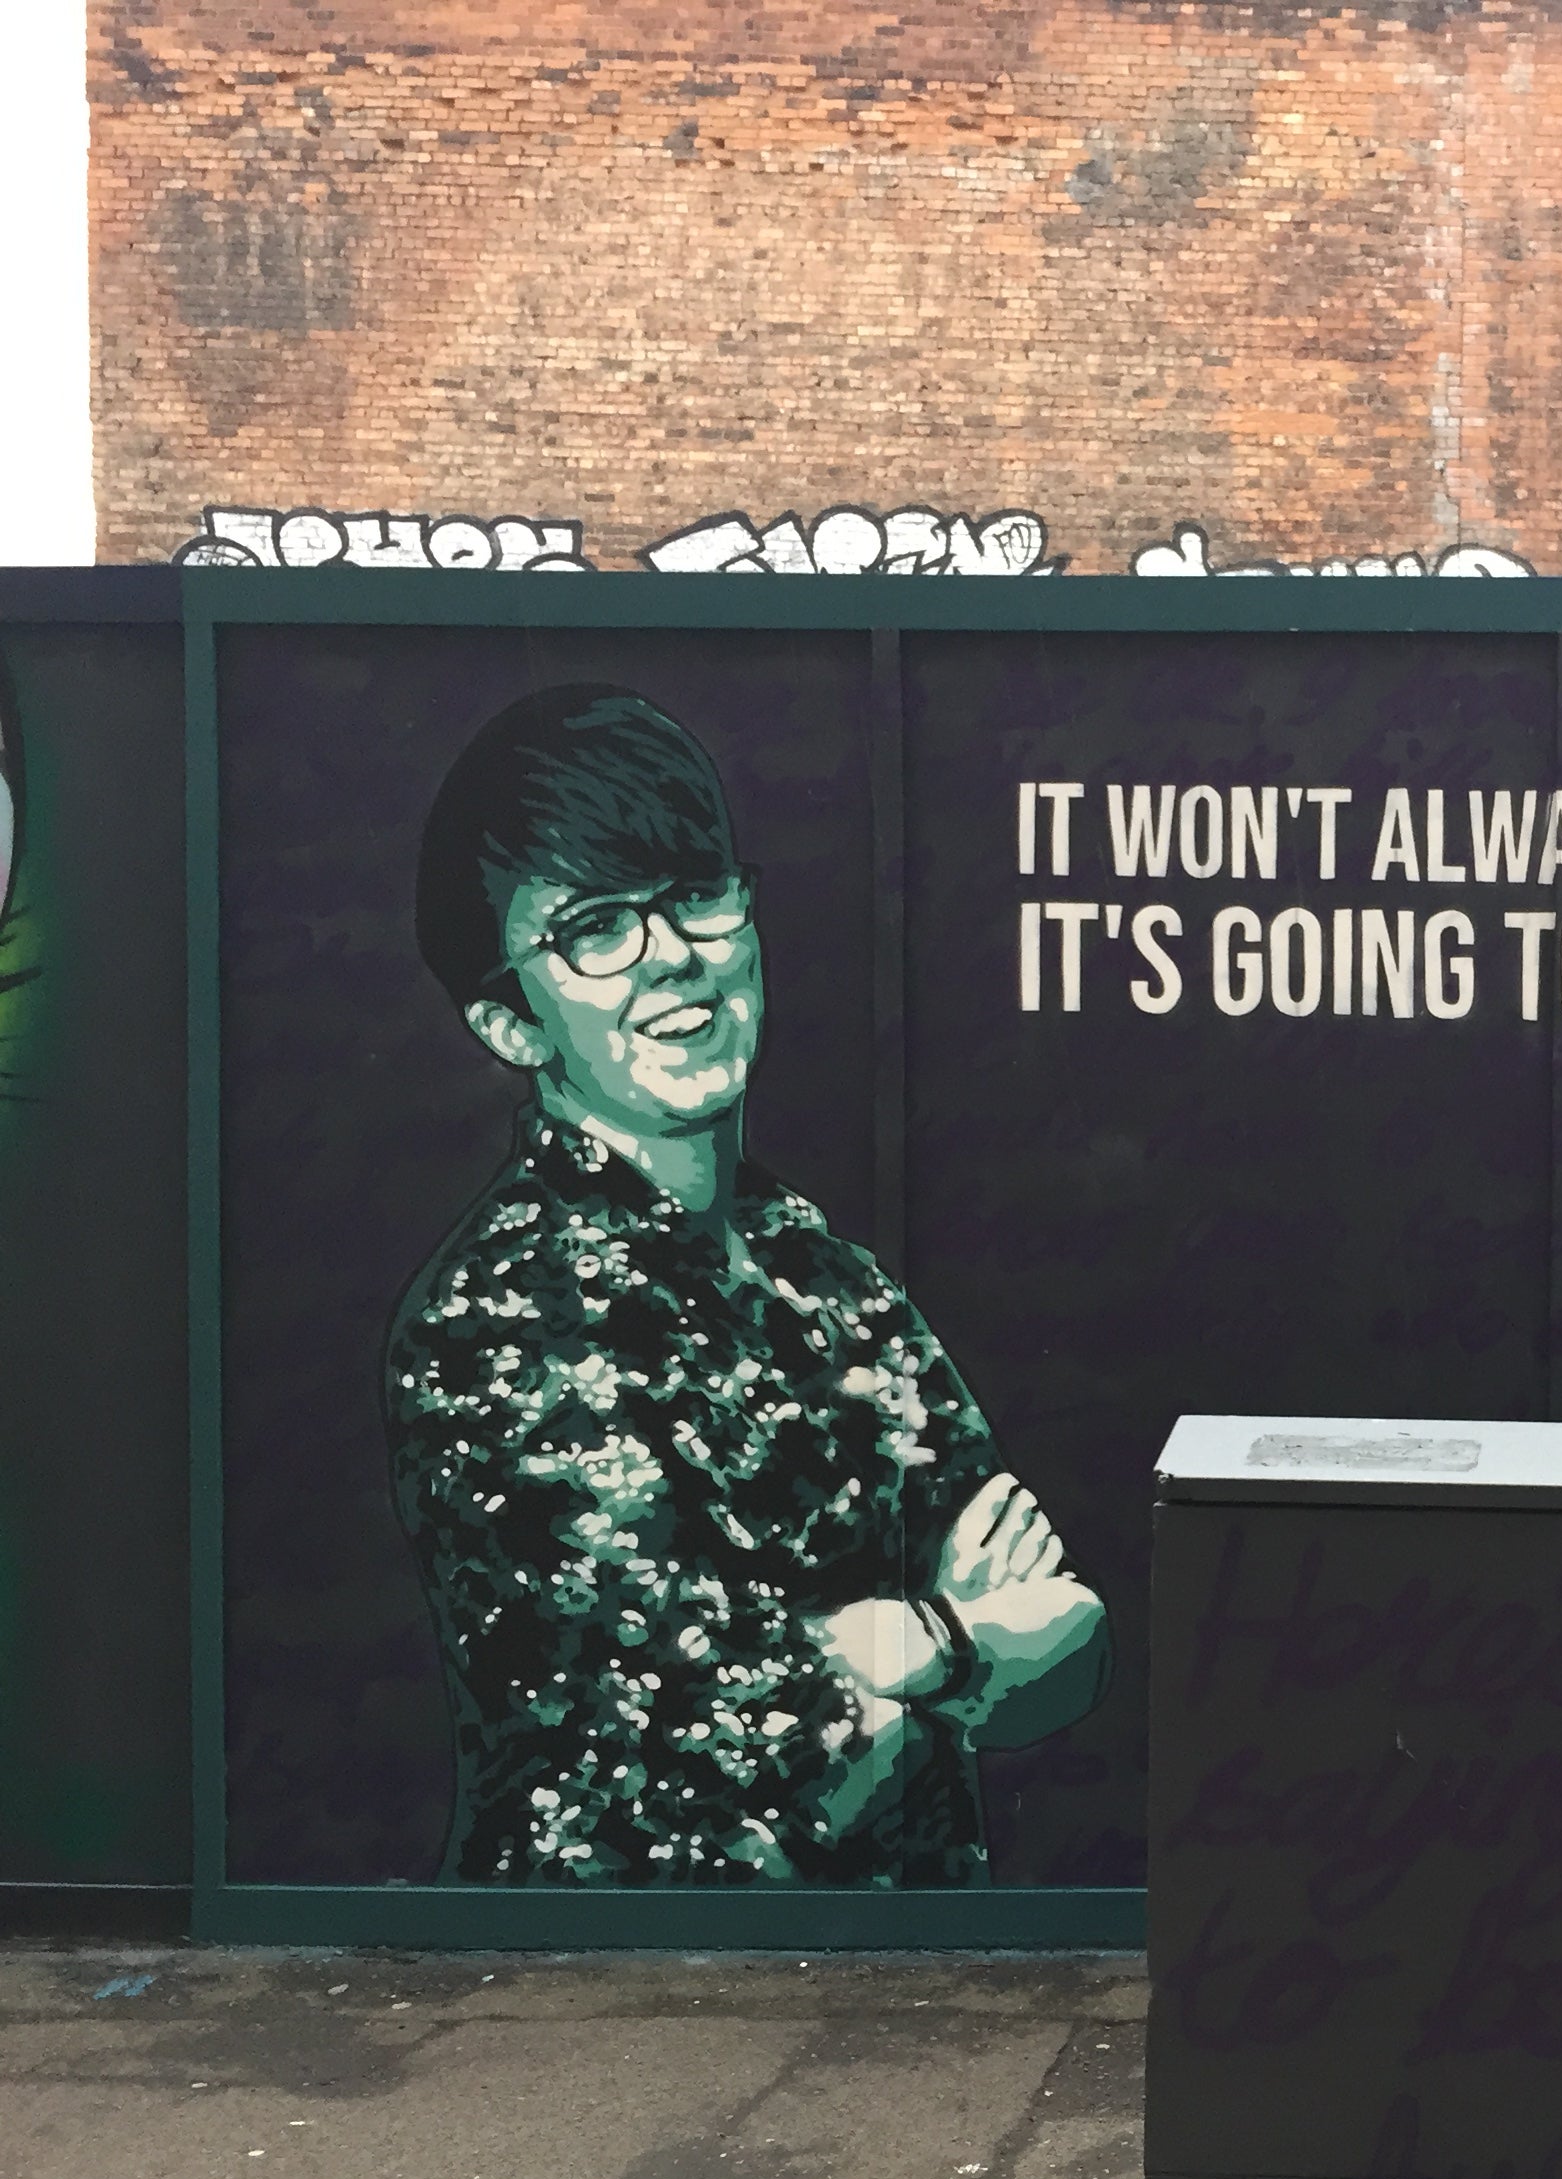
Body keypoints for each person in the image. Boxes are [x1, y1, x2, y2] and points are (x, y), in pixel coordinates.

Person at [386, 684, 1105, 1884]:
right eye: (597, 928)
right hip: (618, 2012)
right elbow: (767, 1782)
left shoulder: (819, 1264)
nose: (672, 955)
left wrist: (911, 1655)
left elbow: (1072, 1645)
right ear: (510, 1025)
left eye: (695, 895)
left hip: (907, 1983)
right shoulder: (498, 1330)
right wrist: (958, 1643)